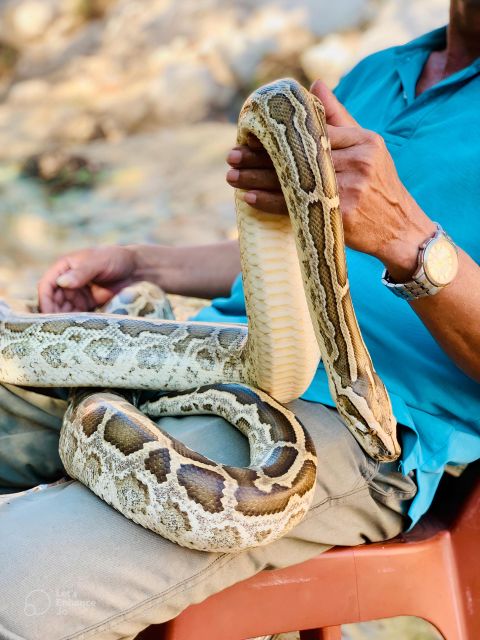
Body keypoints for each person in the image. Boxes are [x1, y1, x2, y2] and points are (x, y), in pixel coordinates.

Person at [0, 0, 479, 638]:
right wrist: (143, 263)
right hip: (219, 349)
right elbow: (301, 250)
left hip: (348, 422)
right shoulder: (379, 73)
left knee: (15, 585)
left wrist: (408, 237)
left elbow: (377, 238)